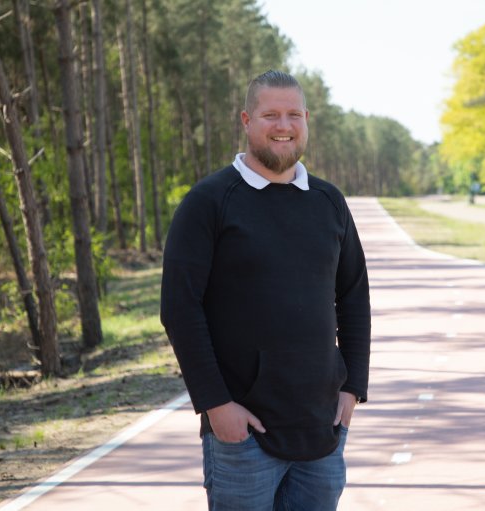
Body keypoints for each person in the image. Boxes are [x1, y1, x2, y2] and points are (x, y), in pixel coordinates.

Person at [160, 70, 371, 511]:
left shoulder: (328, 201)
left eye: (293, 114)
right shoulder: (210, 201)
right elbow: (180, 308)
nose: (283, 125)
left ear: (307, 120)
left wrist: (353, 387)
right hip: (244, 431)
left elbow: (353, 296)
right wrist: (216, 404)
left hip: (322, 427)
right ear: (246, 120)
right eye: (270, 114)